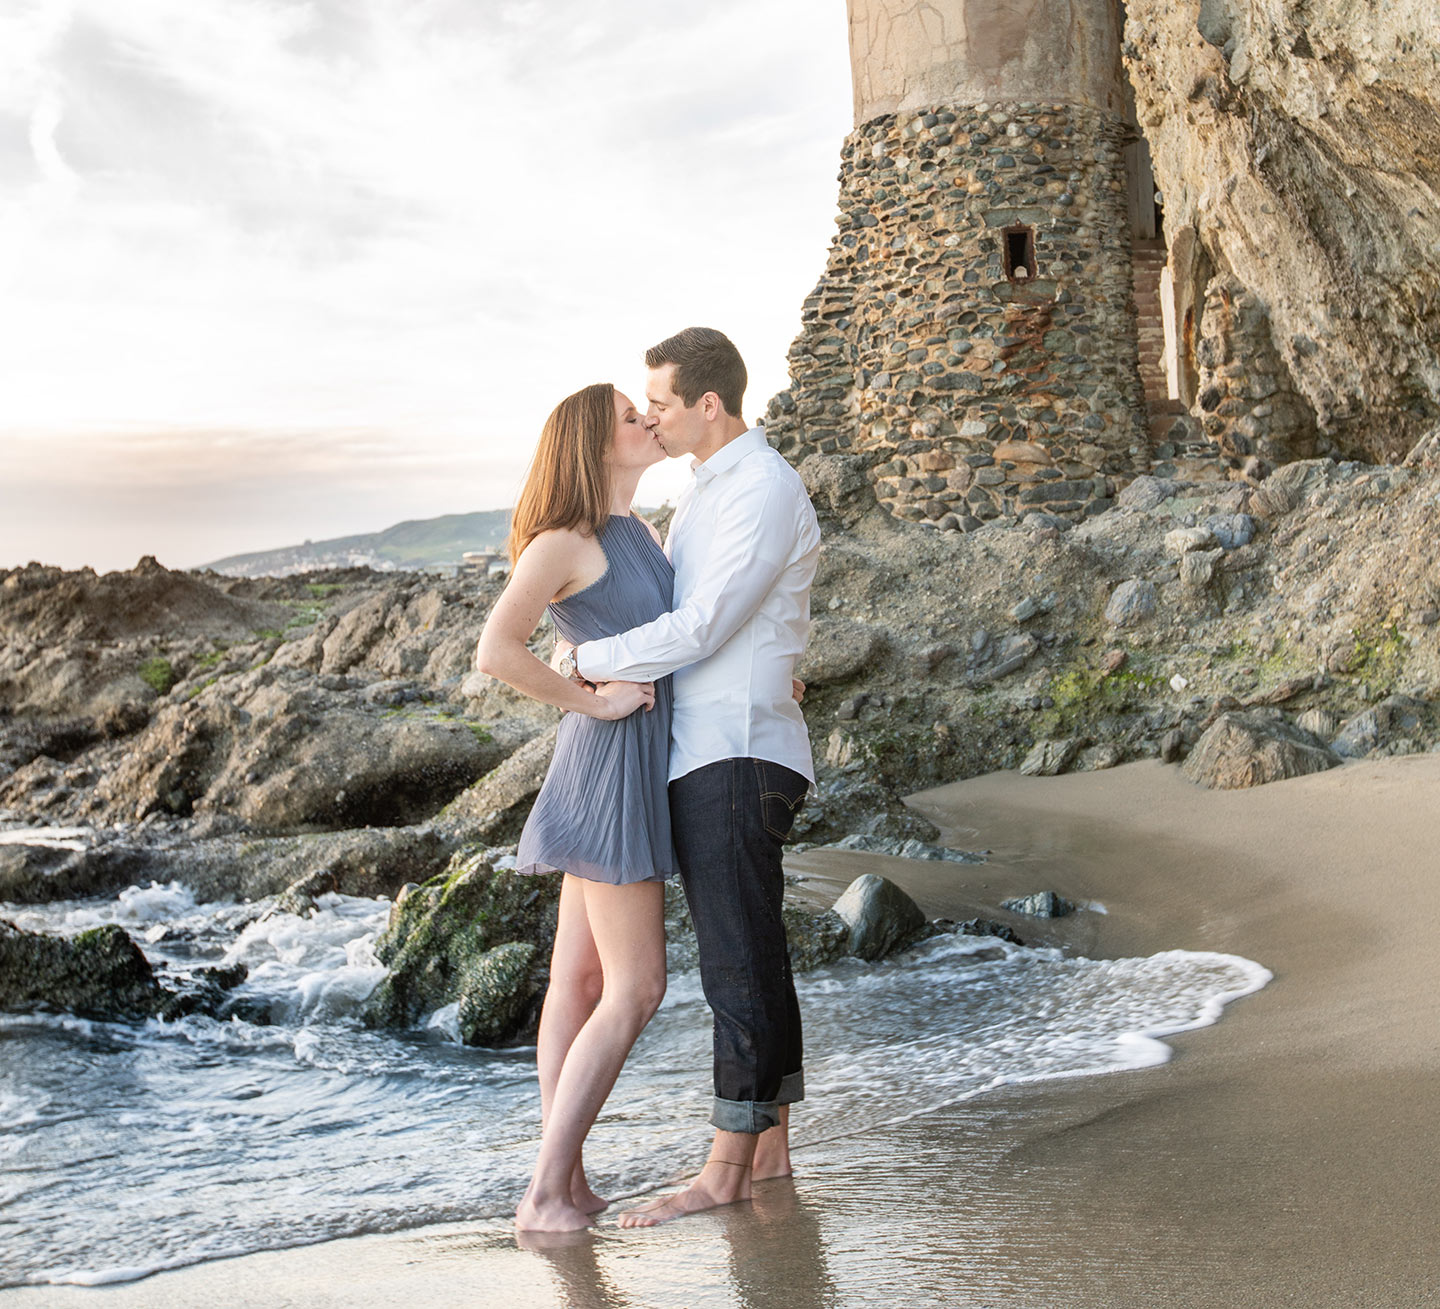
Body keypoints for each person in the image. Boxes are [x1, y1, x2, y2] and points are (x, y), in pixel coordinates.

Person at [556, 327, 821, 1226]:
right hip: (718, 744)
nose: (653, 418)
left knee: (735, 958)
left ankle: (721, 1173)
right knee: (756, 952)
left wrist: (588, 657)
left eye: (661, 402)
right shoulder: (707, 496)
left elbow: (703, 624)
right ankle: (772, 1148)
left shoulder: (761, 486)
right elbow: (731, 617)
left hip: (736, 749)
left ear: (710, 404)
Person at [473, 382, 675, 1233]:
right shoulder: (564, 540)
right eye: (633, 416)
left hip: (628, 759)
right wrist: (590, 700)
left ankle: (567, 1177)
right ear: (595, 443)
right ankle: (548, 1191)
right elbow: (495, 650)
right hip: (609, 761)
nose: (649, 421)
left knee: (580, 980)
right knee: (638, 987)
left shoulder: (636, 531)